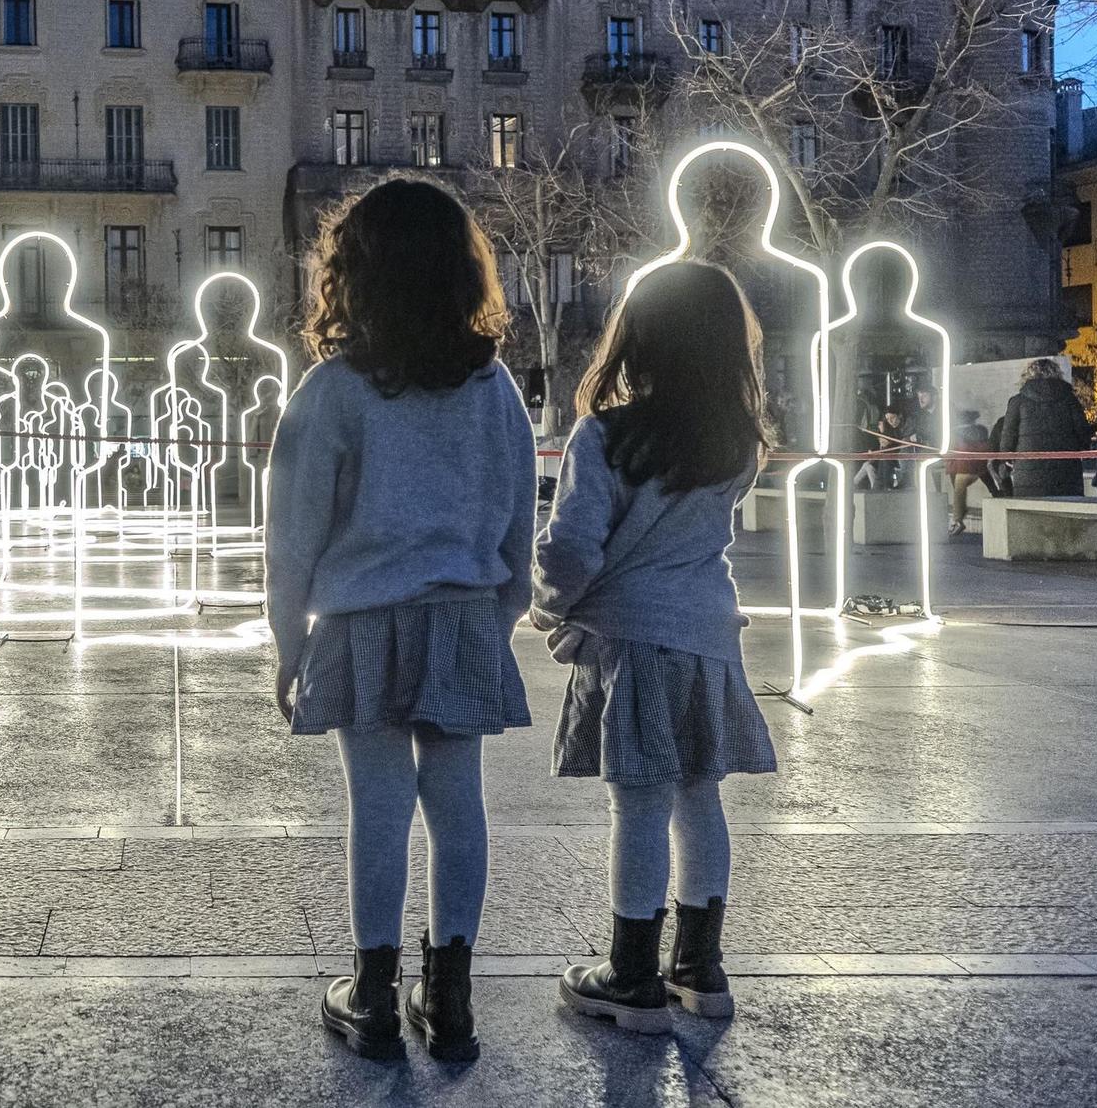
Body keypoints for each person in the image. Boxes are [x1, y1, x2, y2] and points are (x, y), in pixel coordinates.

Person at [266, 180, 535, 1063]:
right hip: (460, 612)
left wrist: (289, 640)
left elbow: (294, 532)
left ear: (355, 274)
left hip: (361, 617)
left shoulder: (333, 391)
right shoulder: (492, 388)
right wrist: (496, 616)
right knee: (460, 803)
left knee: (376, 804)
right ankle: (450, 994)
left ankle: (373, 991)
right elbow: (514, 517)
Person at [533, 262, 779, 1036]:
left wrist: (549, 609)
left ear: (637, 338)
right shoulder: (737, 443)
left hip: (633, 643)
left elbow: (572, 549)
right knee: (698, 796)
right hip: (709, 638)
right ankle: (701, 967)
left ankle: (629, 973)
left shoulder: (603, 436)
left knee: (636, 804)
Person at [998, 359, 1094, 498]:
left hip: (1028, 473)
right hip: (1066, 472)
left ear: (1028, 375)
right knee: (1066, 514)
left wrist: (1006, 459)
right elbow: (1083, 433)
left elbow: (1008, 436)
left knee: (1032, 514)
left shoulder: (1018, 401)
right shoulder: (1070, 399)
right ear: (1056, 374)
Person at [946, 410, 1001, 536]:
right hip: (981, 465)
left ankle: (957, 520)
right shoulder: (981, 430)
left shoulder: (954, 433)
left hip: (963, 467)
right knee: (990, 484)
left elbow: (951, 452)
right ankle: (999, 497)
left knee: (958, 489)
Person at [853, 405, 911, 491]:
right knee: (868, 465)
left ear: (899, 416)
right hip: (886, 458)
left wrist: (886, 444)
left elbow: (898, 444)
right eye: (888, 419)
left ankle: (876, 486)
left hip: (896, 458)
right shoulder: (889, 429)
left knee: (871, 465)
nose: (890, 421)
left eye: (892, 418)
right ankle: (872, 486)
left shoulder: (903, 427)